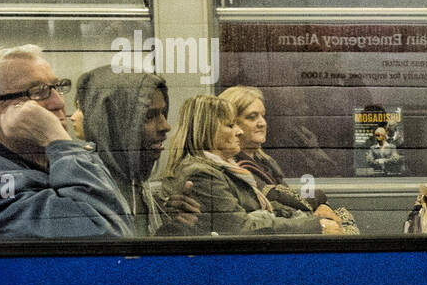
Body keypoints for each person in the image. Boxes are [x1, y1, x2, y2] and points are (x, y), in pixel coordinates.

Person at [0, 45, 132, 239]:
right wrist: (57, 139)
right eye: (38, 91)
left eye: (56, 87)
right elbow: (107, 237)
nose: (59, 103)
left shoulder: (55, 158)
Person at [159, 95, 343, 237]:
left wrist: (311, 219)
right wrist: (314, 226)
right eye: (230, 125)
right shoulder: (202, 174)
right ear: (207, 130)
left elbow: (269, 207)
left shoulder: (228, 169)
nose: (239, 131)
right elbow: (239, 228)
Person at [73, 67, 200, 235]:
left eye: (163, 113)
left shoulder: (132, 180)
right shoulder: (91, 189)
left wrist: (173, 226)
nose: (165, 126)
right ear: (115, 124)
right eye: (148, 116)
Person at [219, 84, 351, 228]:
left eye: (263, 116)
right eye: (252, 117)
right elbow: (281, 198)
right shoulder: (235, 168)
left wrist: (323, 206)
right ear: (232, 124)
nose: (262, 123)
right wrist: (319, 199)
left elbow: (292, 198)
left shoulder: (266, 161)